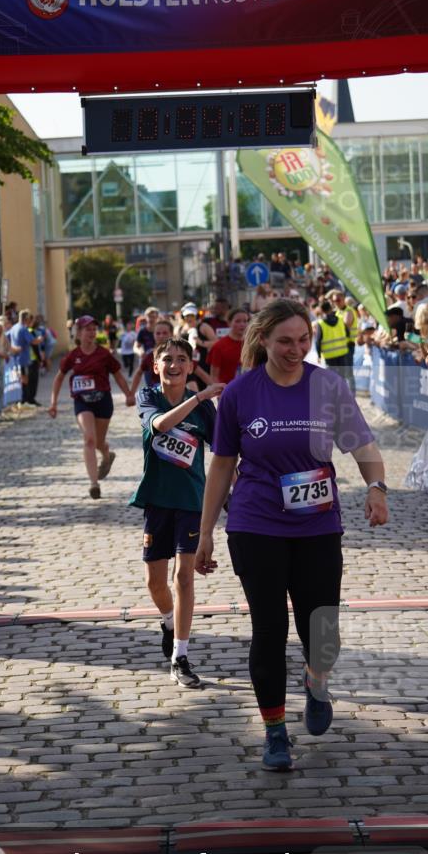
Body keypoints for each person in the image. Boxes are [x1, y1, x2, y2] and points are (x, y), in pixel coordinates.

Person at [194, 299, 388, 772]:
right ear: (263, 340)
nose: (296, 349)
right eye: (285, 341)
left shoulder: (327, 386)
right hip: (256, 522)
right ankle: (275, 732)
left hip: (317, 524)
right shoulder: (241, 393)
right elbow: (221, 465)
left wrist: (376, 487)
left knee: (322, 629)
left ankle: (316, 682)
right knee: (269, 628)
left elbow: (363, 445)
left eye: (304, 340)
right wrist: (205, 533)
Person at [129, 337, 224, 687]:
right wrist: (198, 397)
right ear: (156, 366)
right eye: (167, 359)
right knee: (154, 582)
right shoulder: (149, 397)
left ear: (190, 366)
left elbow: (225, 452)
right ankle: (169, 620)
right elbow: (160, 426)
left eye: (182, 359)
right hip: (157, 501)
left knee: (184, 577)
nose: (174, 365)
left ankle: (180, 656)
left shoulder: (205, 410)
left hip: (192, 502)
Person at [48, 315, 135, 499]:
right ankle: (94, 484)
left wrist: (128, 394)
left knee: (98, 442)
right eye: (88, 329)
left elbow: (118, 375)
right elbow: (59, 378)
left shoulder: (104, 354)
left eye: (94, 329)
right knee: (89, 439)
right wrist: (53, 403)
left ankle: (106, 455)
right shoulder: (73, 356)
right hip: (82, 402)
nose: (92, 332)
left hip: (103, 401)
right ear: (79, 333)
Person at [314, 299, 354, 388]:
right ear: (331, 308)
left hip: (329, 356)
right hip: (342, 353)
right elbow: (347, 333)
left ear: (321, 310)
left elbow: (318, 341)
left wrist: (319, 355)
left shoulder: (321, 323)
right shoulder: (340, 319)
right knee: (342, 377)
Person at [207, 307, 250, 386]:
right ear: (229, 323)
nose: (242, 324)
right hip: (227, 390)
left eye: (245, 321)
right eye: (238, 321)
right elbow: (214, 376)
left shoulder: (252, 345)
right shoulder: (219, 346)